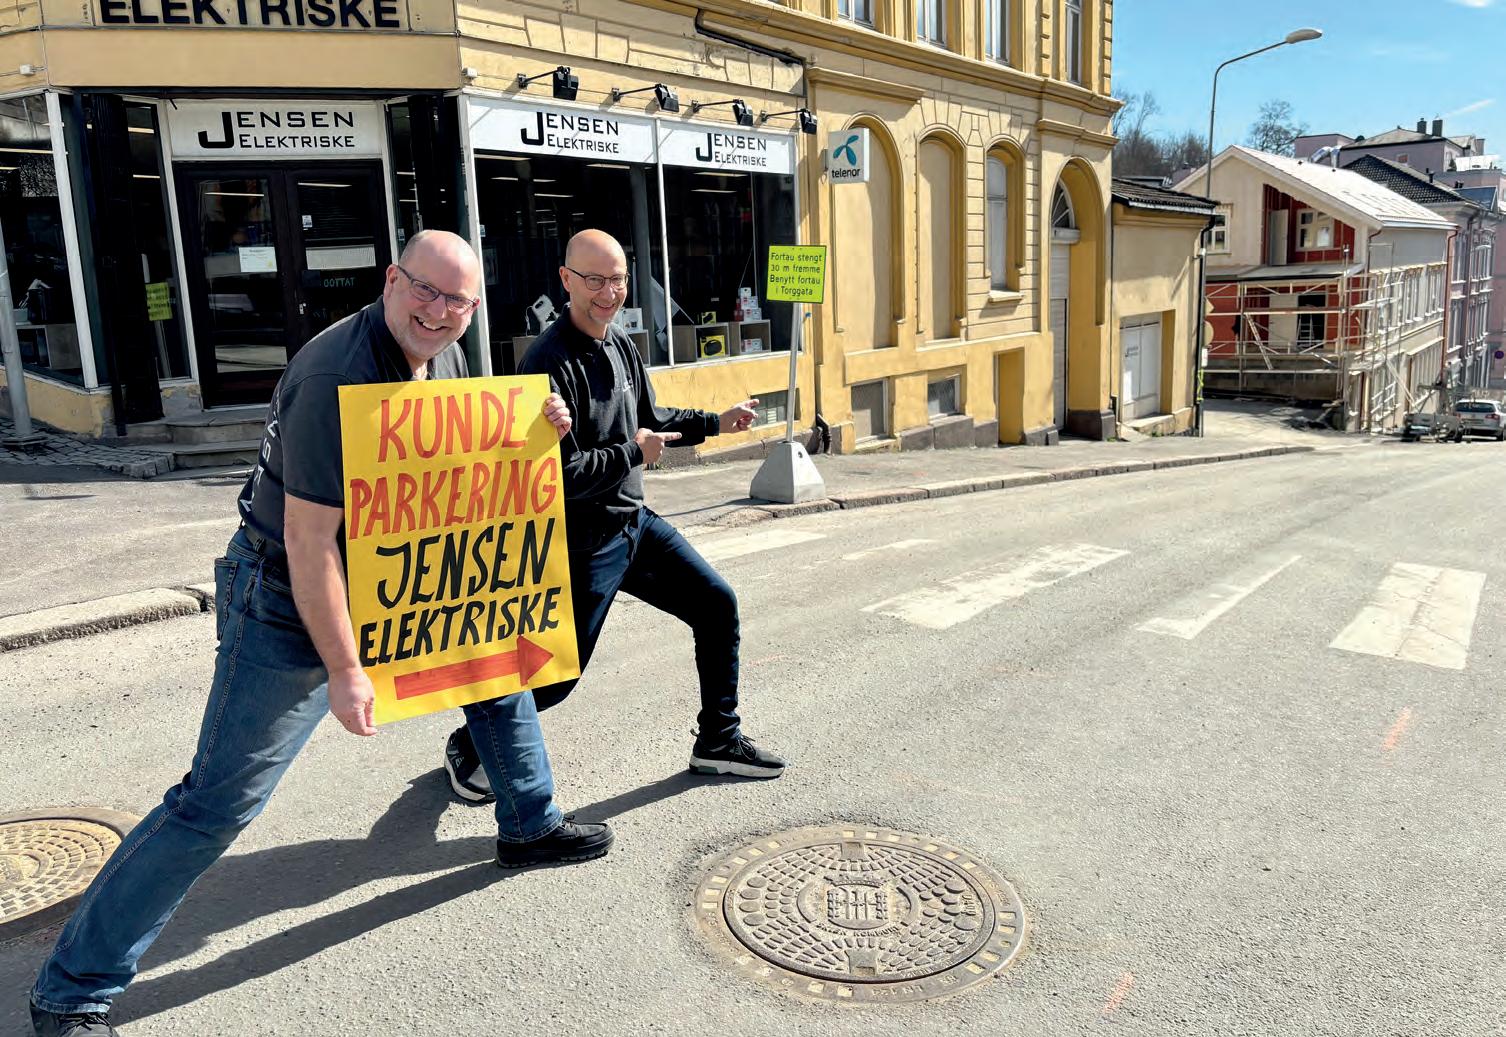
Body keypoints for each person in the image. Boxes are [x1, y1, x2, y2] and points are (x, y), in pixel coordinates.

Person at [27, 230, 594, 1037]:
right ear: (391, 279)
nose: (439, 312)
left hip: (392, 573)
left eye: (458, 301)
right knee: (217, 802)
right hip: (286, 595)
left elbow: (455, 458)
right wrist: (346, 667)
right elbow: (308, 541)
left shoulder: (442, 352)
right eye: (425, 290)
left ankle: (529, 820)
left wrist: (535, 427)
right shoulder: (336, 375)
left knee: (494, 663)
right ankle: (70, 991)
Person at [442, 228, 788, 821]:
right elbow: (561, 475)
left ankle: (717, 740)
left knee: (715, 604)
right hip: (582, 542)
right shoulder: (545, 362)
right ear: (566, 280)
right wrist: (633, 453)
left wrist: (717, 421)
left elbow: (652, 416)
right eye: (595, 280)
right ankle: (468, 745)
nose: (609, 293)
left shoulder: (622, 343)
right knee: (555, 678)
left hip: (635, 526)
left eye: (619, 280)